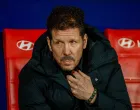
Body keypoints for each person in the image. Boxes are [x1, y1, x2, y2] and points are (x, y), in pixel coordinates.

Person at [18, 6, 132, 110]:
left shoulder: (106, 62)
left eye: (73, 42)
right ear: (49, 43)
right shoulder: (32, 74)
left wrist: (92, 96)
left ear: (84, 41)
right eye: (58, 43)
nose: (66, 51)